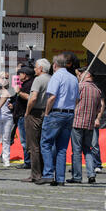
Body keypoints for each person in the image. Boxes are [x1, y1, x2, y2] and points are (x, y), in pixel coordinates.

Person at [37, 54, 79, 186]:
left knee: (46, 143)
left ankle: (48, 174)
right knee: (62, 148)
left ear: (55, 65)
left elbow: (52, 97)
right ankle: (60, 178)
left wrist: (47, 112)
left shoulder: (56, 76)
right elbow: (77, 99)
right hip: (69, 114)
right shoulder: (73, 78)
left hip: (56, 113)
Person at [67, 66, 104, 184]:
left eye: (82, 74)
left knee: (77, 150)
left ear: (87, 75)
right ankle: (91, 174)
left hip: (77, 121)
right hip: (89, 124)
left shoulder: (80, 87)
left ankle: (77, 177)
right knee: (87, 150)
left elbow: (72, 102)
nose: (80, 75)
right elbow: (99, 108)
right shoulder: (97, 90)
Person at [22, 58, 51, 183]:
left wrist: (27, 112)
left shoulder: (38, 80)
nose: (34, 69)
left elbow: (33, 98)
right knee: (43, 144)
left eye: (36, 67)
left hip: (35, 113)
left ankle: (35, 174)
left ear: (40, 69)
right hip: (47, 113)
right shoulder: (52, 79)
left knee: (33, 145)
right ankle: (45, 171)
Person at [14, 65, 35, 169]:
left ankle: (28, 162)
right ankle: (28, 161)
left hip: (25, 115)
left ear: (25, 75)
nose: (18, 76)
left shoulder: (30, 84)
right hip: (22, 115)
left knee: (25, 141)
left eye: (20, 74)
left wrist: (19, 92)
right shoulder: (26, 83)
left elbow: (30, 97)